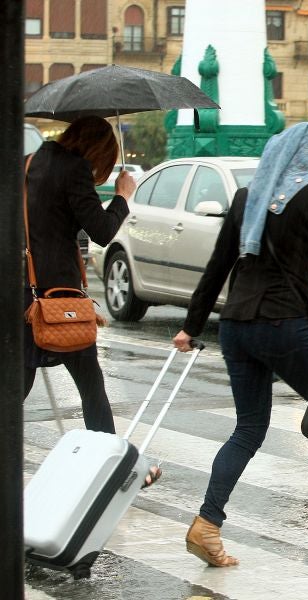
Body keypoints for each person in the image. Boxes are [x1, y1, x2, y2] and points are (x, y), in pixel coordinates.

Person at [172, 122, 308, 568]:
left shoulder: (248, 198)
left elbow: (217, 266)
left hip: (236, 325)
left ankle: (207, 524)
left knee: (248, 428)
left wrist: (192, 327)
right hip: (284, 323)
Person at [22, 116, 162, 487]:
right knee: (90, 383)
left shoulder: (30, 163)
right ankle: (113, 469)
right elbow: (101, 231)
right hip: (58, 297)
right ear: (96, 149)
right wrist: (122, 196)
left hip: (24, 290)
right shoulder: (74, 169)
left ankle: (111, 465)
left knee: (16, 384)